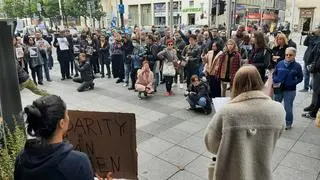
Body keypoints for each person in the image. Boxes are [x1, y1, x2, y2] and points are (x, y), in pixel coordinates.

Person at [204, 65, 285, 180]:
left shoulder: (227, 112)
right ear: (259, 81)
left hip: (231, 173)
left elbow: (211, 144)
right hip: (261, 173)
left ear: (236, 84)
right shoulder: (278, 109)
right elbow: (277, 135)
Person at [14, 95, 94, 180]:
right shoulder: (79, 162)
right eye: (67, 114)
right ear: (62, 123)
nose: (69, 118)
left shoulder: (22, 158)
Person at [273, 47, 303, 130]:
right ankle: (275, 122)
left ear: (294, 55)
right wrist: (276, 80)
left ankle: (288, 123)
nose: (288, 56)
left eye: (290, 55)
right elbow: (274, 73)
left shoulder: (297, 66)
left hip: (290, 90)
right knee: (276, 106)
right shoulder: (280, 63)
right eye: (286, 54)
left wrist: (292, 83)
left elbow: (300, 78)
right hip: (279, 88)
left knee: (288, 107)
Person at [300, 27, 320, 92]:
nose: (315, 30)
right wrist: (308, 35)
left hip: (314, 59)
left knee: (314, 74)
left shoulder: (318, 38)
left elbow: (315, 44)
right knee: (306, 73)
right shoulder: (312, 36)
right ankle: (306, 87)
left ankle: (312, 86)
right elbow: (305, 43)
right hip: (307, 57)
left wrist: (314, 36)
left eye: (317, 28)